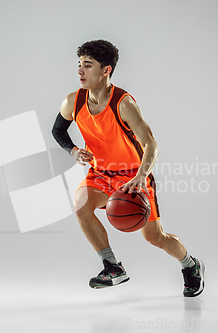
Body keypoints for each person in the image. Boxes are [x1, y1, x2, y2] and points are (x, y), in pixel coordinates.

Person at [51, 39, 205, 297]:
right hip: (100, 174)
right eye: (79, 64)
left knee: (155, 238)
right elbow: (57, 130)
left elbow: (151, 145)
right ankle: (112, 266)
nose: (80, 71)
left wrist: (141, 176)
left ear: (106, 70)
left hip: (133, 176)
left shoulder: (123, 104)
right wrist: (73, 150)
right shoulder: (73, 102)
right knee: (80, 204)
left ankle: (191, 265)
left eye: (88, 66)